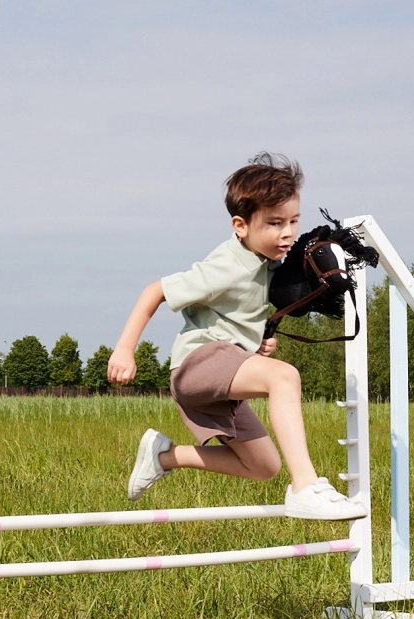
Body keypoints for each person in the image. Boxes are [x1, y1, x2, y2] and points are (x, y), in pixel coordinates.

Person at [107, 152, 367, 520]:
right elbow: (155, 290)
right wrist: (124, 350)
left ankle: (164, 456)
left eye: (294, 220)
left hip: (221, 373)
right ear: (240, 226)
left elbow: (238, 317)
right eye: (274, 223)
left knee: (263, 466)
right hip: (196, 365)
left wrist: (256, 343)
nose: (288, 233)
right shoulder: (226, 267)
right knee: (285, 376)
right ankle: (306, 486)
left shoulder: (269, 264)